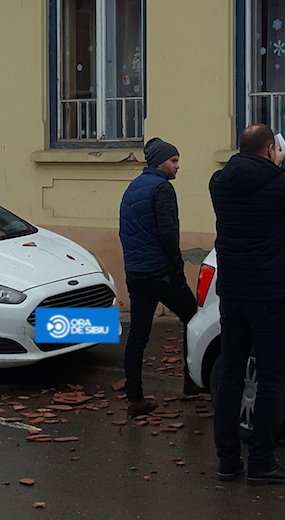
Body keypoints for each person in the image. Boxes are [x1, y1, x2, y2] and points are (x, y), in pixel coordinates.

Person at [208, 124, 285, 486]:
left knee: (231, 378)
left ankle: (228, 461)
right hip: (272, 299)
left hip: (233, 295)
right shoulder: (281, 186)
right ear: (269, 150)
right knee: (270, 380)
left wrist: (274, 167)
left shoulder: (219, 182)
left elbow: (254, 187)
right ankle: (261, 462)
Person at [118, 137, 200, 418]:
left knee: (138, 335)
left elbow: (126, 231)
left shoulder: (133, 188)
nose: (178, 166)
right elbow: (168, 234)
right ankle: (193, 382)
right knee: (194, 319)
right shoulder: (162, 189)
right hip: (160, 272)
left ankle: (135, 398)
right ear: (159, 162)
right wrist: (177, 268)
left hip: (136, 273)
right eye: (174, 161)